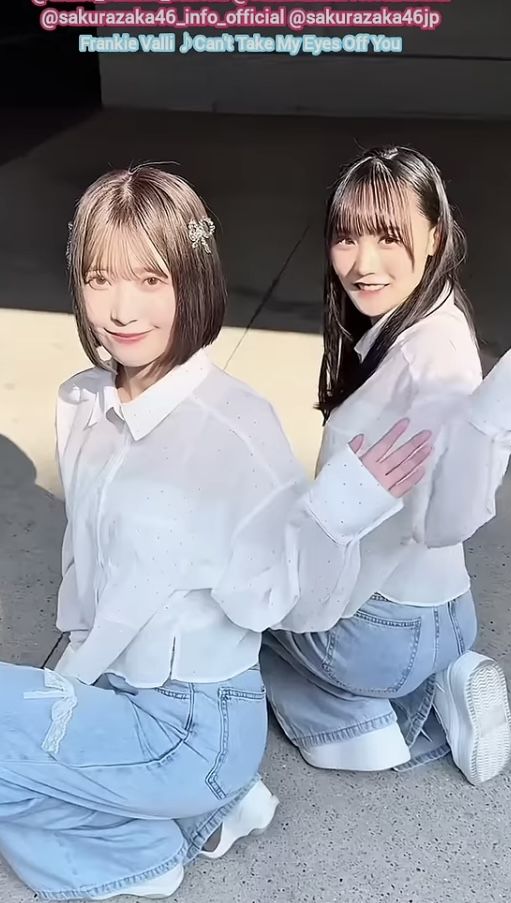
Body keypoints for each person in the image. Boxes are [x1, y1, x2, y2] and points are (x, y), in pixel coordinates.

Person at [0, 165, 433, 901]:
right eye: (100, 278)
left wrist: (335, 514)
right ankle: (207, 814)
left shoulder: (235, 427)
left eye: (150, 279)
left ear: (191, 279)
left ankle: (143, 852)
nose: (122, 309)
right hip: (113, 691)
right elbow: (89, 567)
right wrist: (68, 680)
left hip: (194, 726)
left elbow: (299, 608)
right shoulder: (82, 402)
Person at [260, 145, 511, 786]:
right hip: (444, 617)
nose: (363, 264)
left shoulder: (427, 362)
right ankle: (443, 676)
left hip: (376, 633)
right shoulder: (433, 318)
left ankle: (356, 724)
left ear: (435, 236)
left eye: (388, 237)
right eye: (346, 238)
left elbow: (446, 518)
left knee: (232, 609)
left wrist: (503, 405)